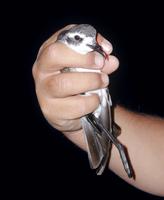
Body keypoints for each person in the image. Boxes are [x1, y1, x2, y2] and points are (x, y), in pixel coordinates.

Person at [32, 25, 164, 196]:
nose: (92, 45)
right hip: (94, 105)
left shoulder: (93, 53)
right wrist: (73, 123)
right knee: (97, 114)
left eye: (92, 41)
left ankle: (107, 138)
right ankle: (106, 136)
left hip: (98, 105)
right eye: (80, 39)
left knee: (99, 115)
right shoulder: (69, 56)